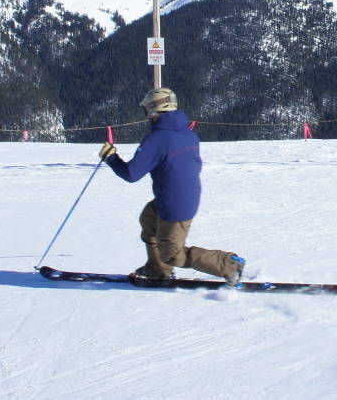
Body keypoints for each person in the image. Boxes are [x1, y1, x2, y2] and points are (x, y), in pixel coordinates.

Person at [99, 87, 246, 284]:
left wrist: (111, 158)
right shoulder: (188, 134)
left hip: (174, 204)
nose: (146, 115)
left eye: (147, 110)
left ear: (154, 111)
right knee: (149, 220)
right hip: (180, 196)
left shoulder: (157, 139)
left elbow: (131, 174)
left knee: (173, 254)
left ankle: (229, 265)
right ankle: (157, 269)